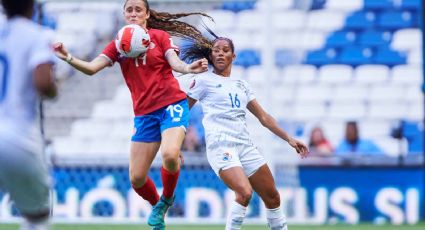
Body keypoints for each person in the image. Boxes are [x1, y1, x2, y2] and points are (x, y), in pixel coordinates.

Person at [53, 0, 209, 229]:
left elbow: (175, 63)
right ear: (124, 14)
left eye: (138, 9)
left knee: (169, 154)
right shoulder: (118, 45)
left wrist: (188, 68)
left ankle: (167, 198)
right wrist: (68, 57)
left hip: (171, 104)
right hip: (144, 115)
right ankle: (160, 208)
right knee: (136, 179)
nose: (134, 13)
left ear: (146, 14)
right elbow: (92, 68)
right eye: (129, 10)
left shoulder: (158, 37)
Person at [183, 35, 309, 229]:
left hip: (245, 145)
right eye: (216, 50)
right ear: (210, 55)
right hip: (221, 145)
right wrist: (173, 145)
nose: (220, 53)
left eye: (225, 50)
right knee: (244, 192)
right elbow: (181, 111)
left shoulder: (242, 85)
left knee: (273, 197)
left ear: (233, 56)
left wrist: (289, 139)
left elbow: (264, 118)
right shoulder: (203, 81)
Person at [0, 0, 58, 229]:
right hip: (17, 134)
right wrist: (55, 88)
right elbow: (43, 83)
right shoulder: (38, 35)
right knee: (37, 216)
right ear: (32, 6)